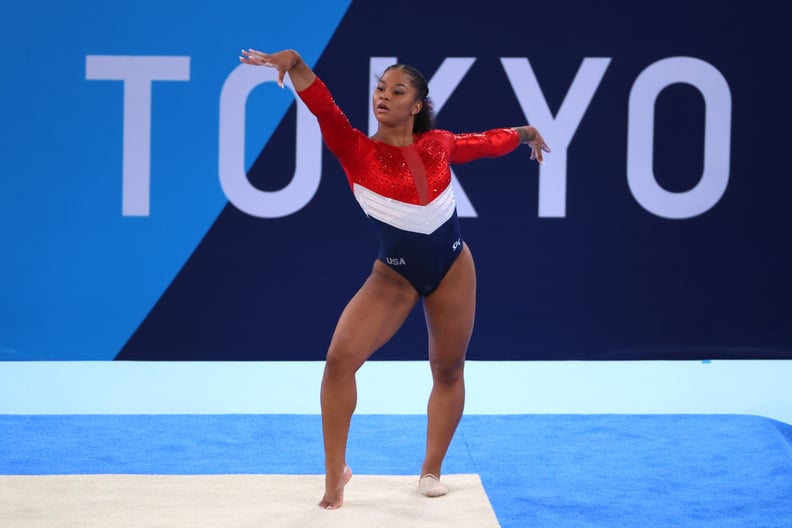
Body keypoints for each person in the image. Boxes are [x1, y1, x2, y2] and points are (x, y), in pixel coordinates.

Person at [239, 48, 550, 510]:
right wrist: (298, 65)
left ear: (417, 105)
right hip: (395, 276)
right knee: (339, 360)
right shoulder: (355, 149)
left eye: (396, 91)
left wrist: (525, 133)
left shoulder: (439, 143)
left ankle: (431, 468)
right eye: (380, 88)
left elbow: (486, 141)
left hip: (453, 267)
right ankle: (334, 475)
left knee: (448, 369)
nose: (383, 97)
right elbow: (324, 107)